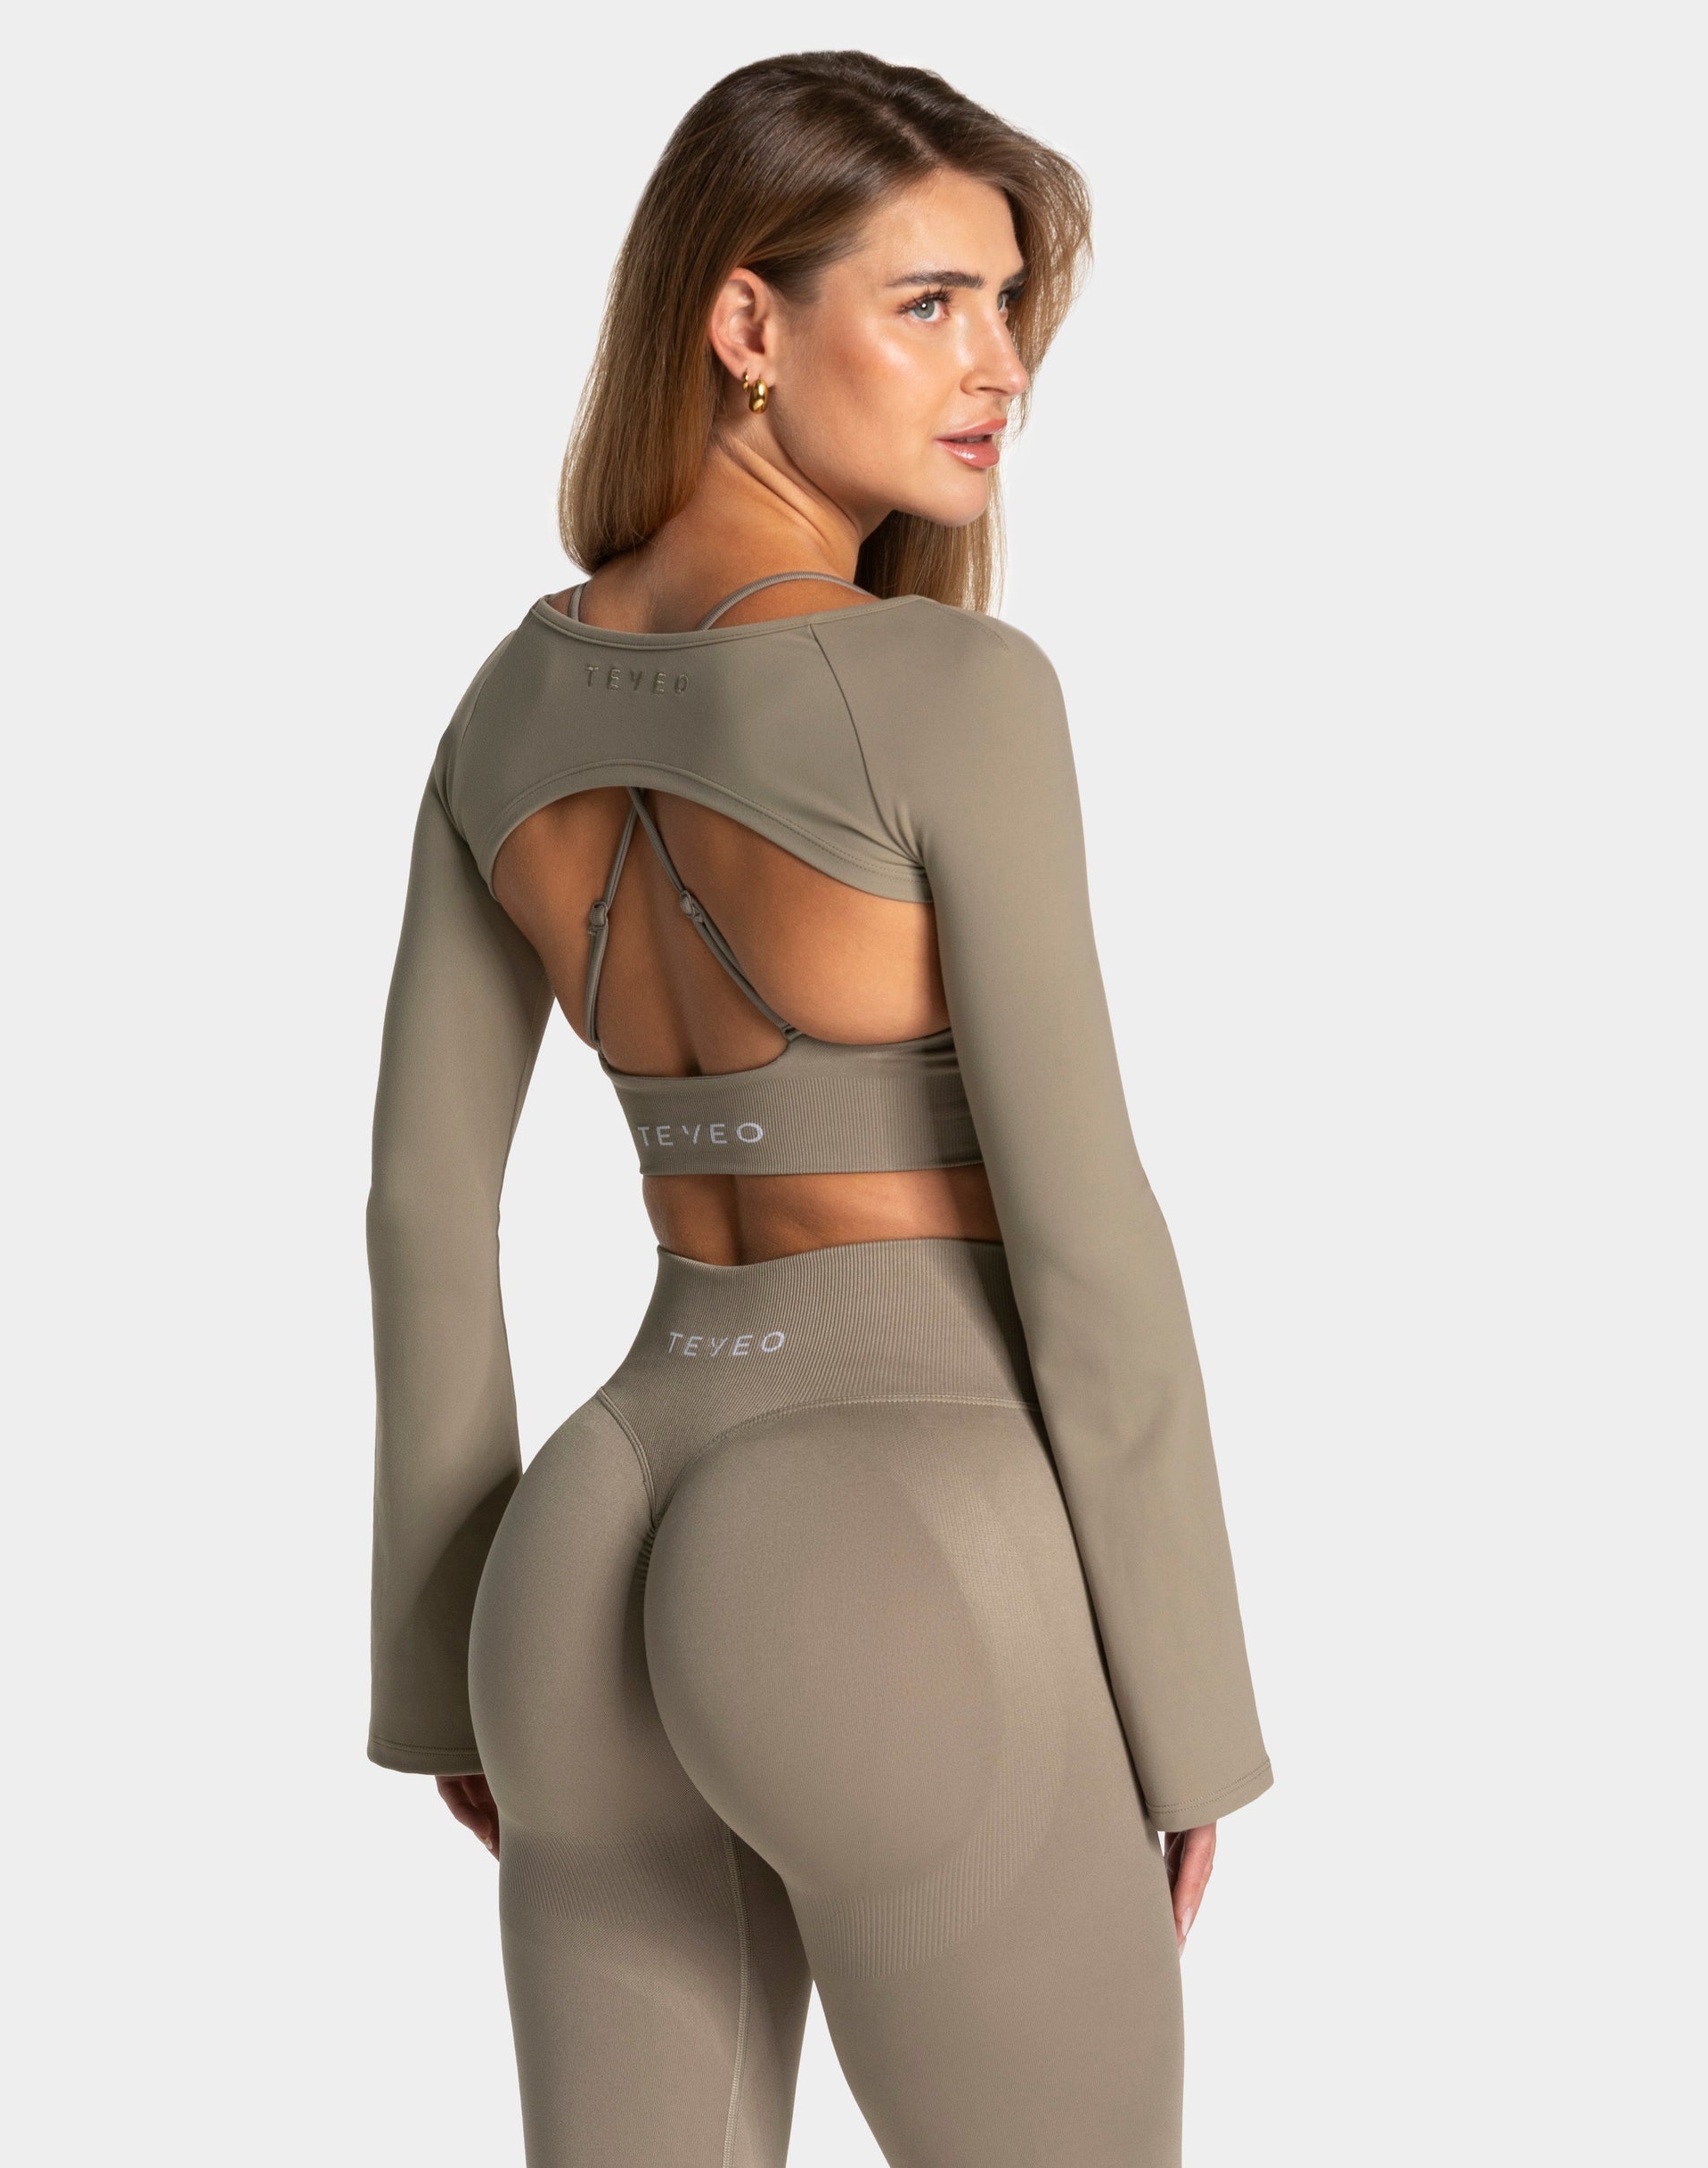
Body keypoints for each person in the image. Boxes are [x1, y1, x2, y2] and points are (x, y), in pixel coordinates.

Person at [365, 48, 1272, 2168]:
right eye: (929, 300)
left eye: (1009, 303)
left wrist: (438, 1672)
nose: (998, 364)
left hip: (578, 1544)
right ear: (746, 324)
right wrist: (1187, 1717)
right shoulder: (954, 691)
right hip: (894, 1545)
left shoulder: (505, 706)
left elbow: (420, 1204)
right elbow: (1083, 1230)